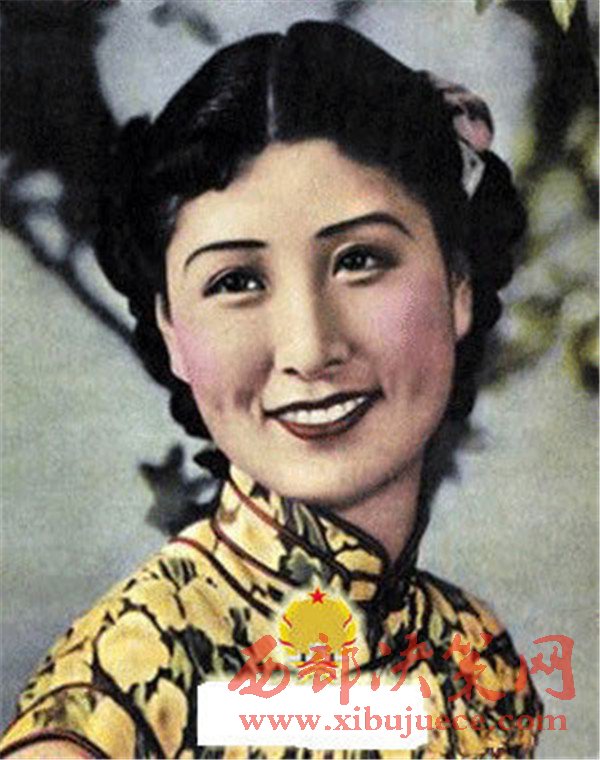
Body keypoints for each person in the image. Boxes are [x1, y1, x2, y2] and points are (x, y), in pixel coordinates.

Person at [0, 21, 543, 759]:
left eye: (359, 260)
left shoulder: (475, 658)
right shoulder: (123, 695)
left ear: (458, 286)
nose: (310, 349)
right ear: (169, 328)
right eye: (236, 281)